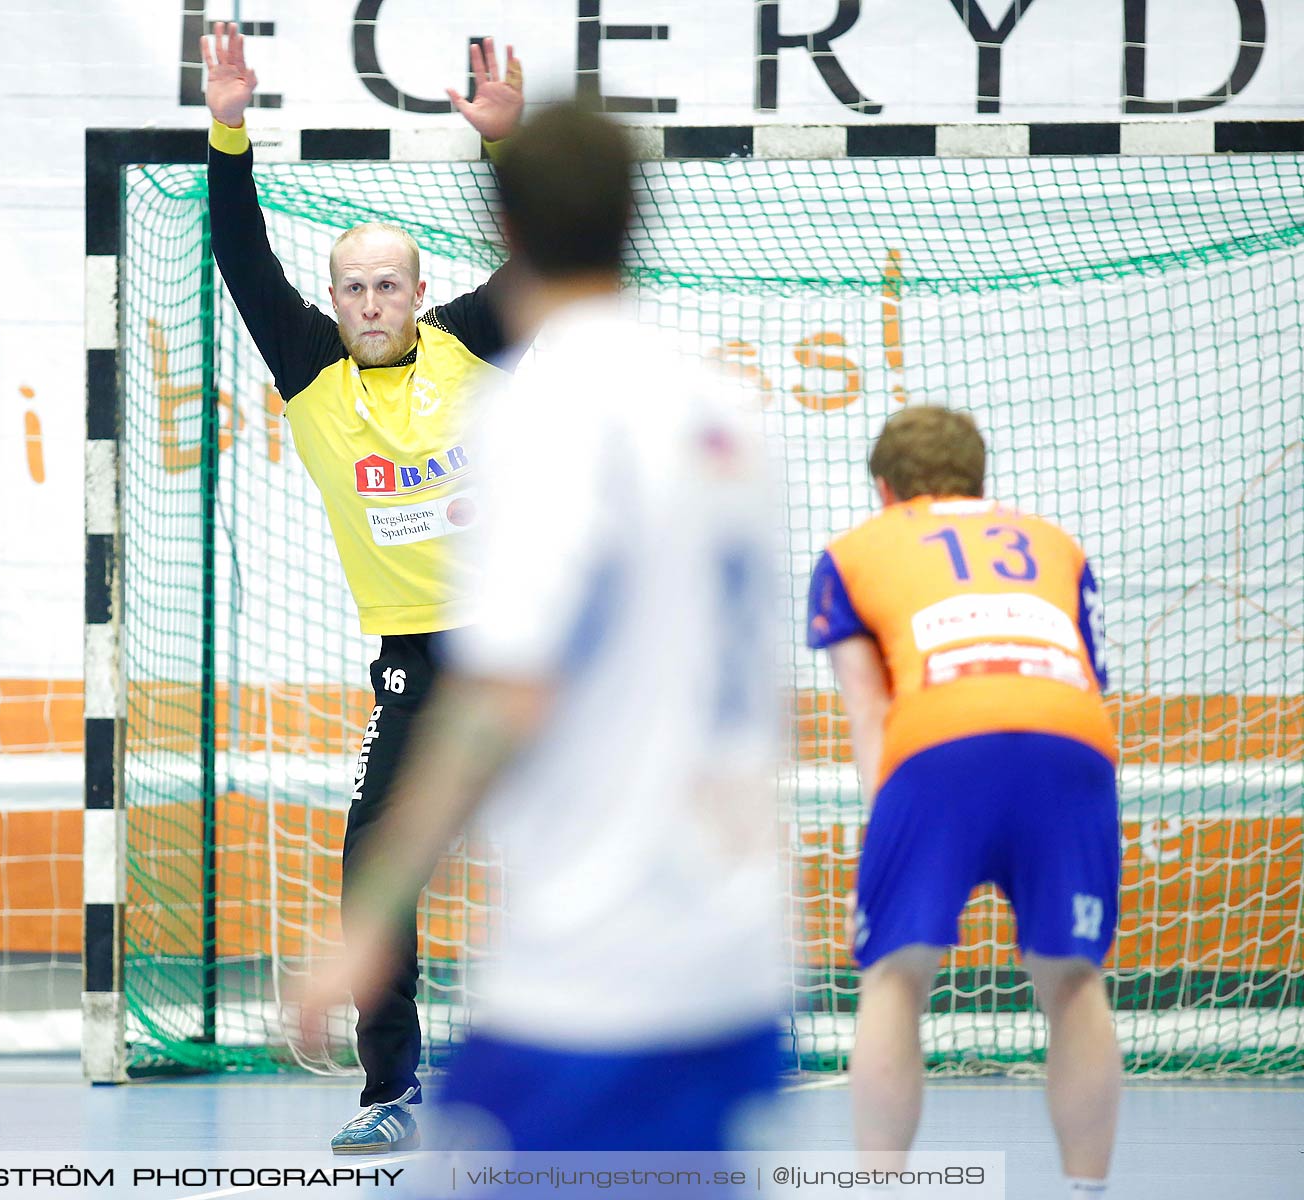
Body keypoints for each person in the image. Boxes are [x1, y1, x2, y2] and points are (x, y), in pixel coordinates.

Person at [299, 103, 787, 1162]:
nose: (374, 299)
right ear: (636, 217)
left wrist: (367, 918)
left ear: (498, 235)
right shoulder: (723, 408)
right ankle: (393, 1083)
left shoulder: (543, 411)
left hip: (592, 965)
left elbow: (503, 695)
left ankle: (399, 1068)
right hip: (728, 947)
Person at [199, 21, 525, 1153]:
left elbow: (538, 264)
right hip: (414, 660)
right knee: (371, 871)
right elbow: (241, 257)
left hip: (522, 646)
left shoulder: (472, 340)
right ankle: (392, 1090)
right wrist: (229, 129)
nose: (373, 301)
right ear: (333, 300)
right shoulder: (313, 373)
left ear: (418, 288)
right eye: (354, 288)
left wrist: (499, 148)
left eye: (390, 284)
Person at [806, 406, 1122, 1198]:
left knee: (894, 976)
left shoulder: (853, 552)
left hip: (940, 742)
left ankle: (881, 1187)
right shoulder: (1056, 543)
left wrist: (887, 841)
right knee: (1075, 979)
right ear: (982, 480)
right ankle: (1087, 1189)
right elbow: (1080, 674)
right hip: (1071, 742)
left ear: (884, 489)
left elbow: (869, 709)